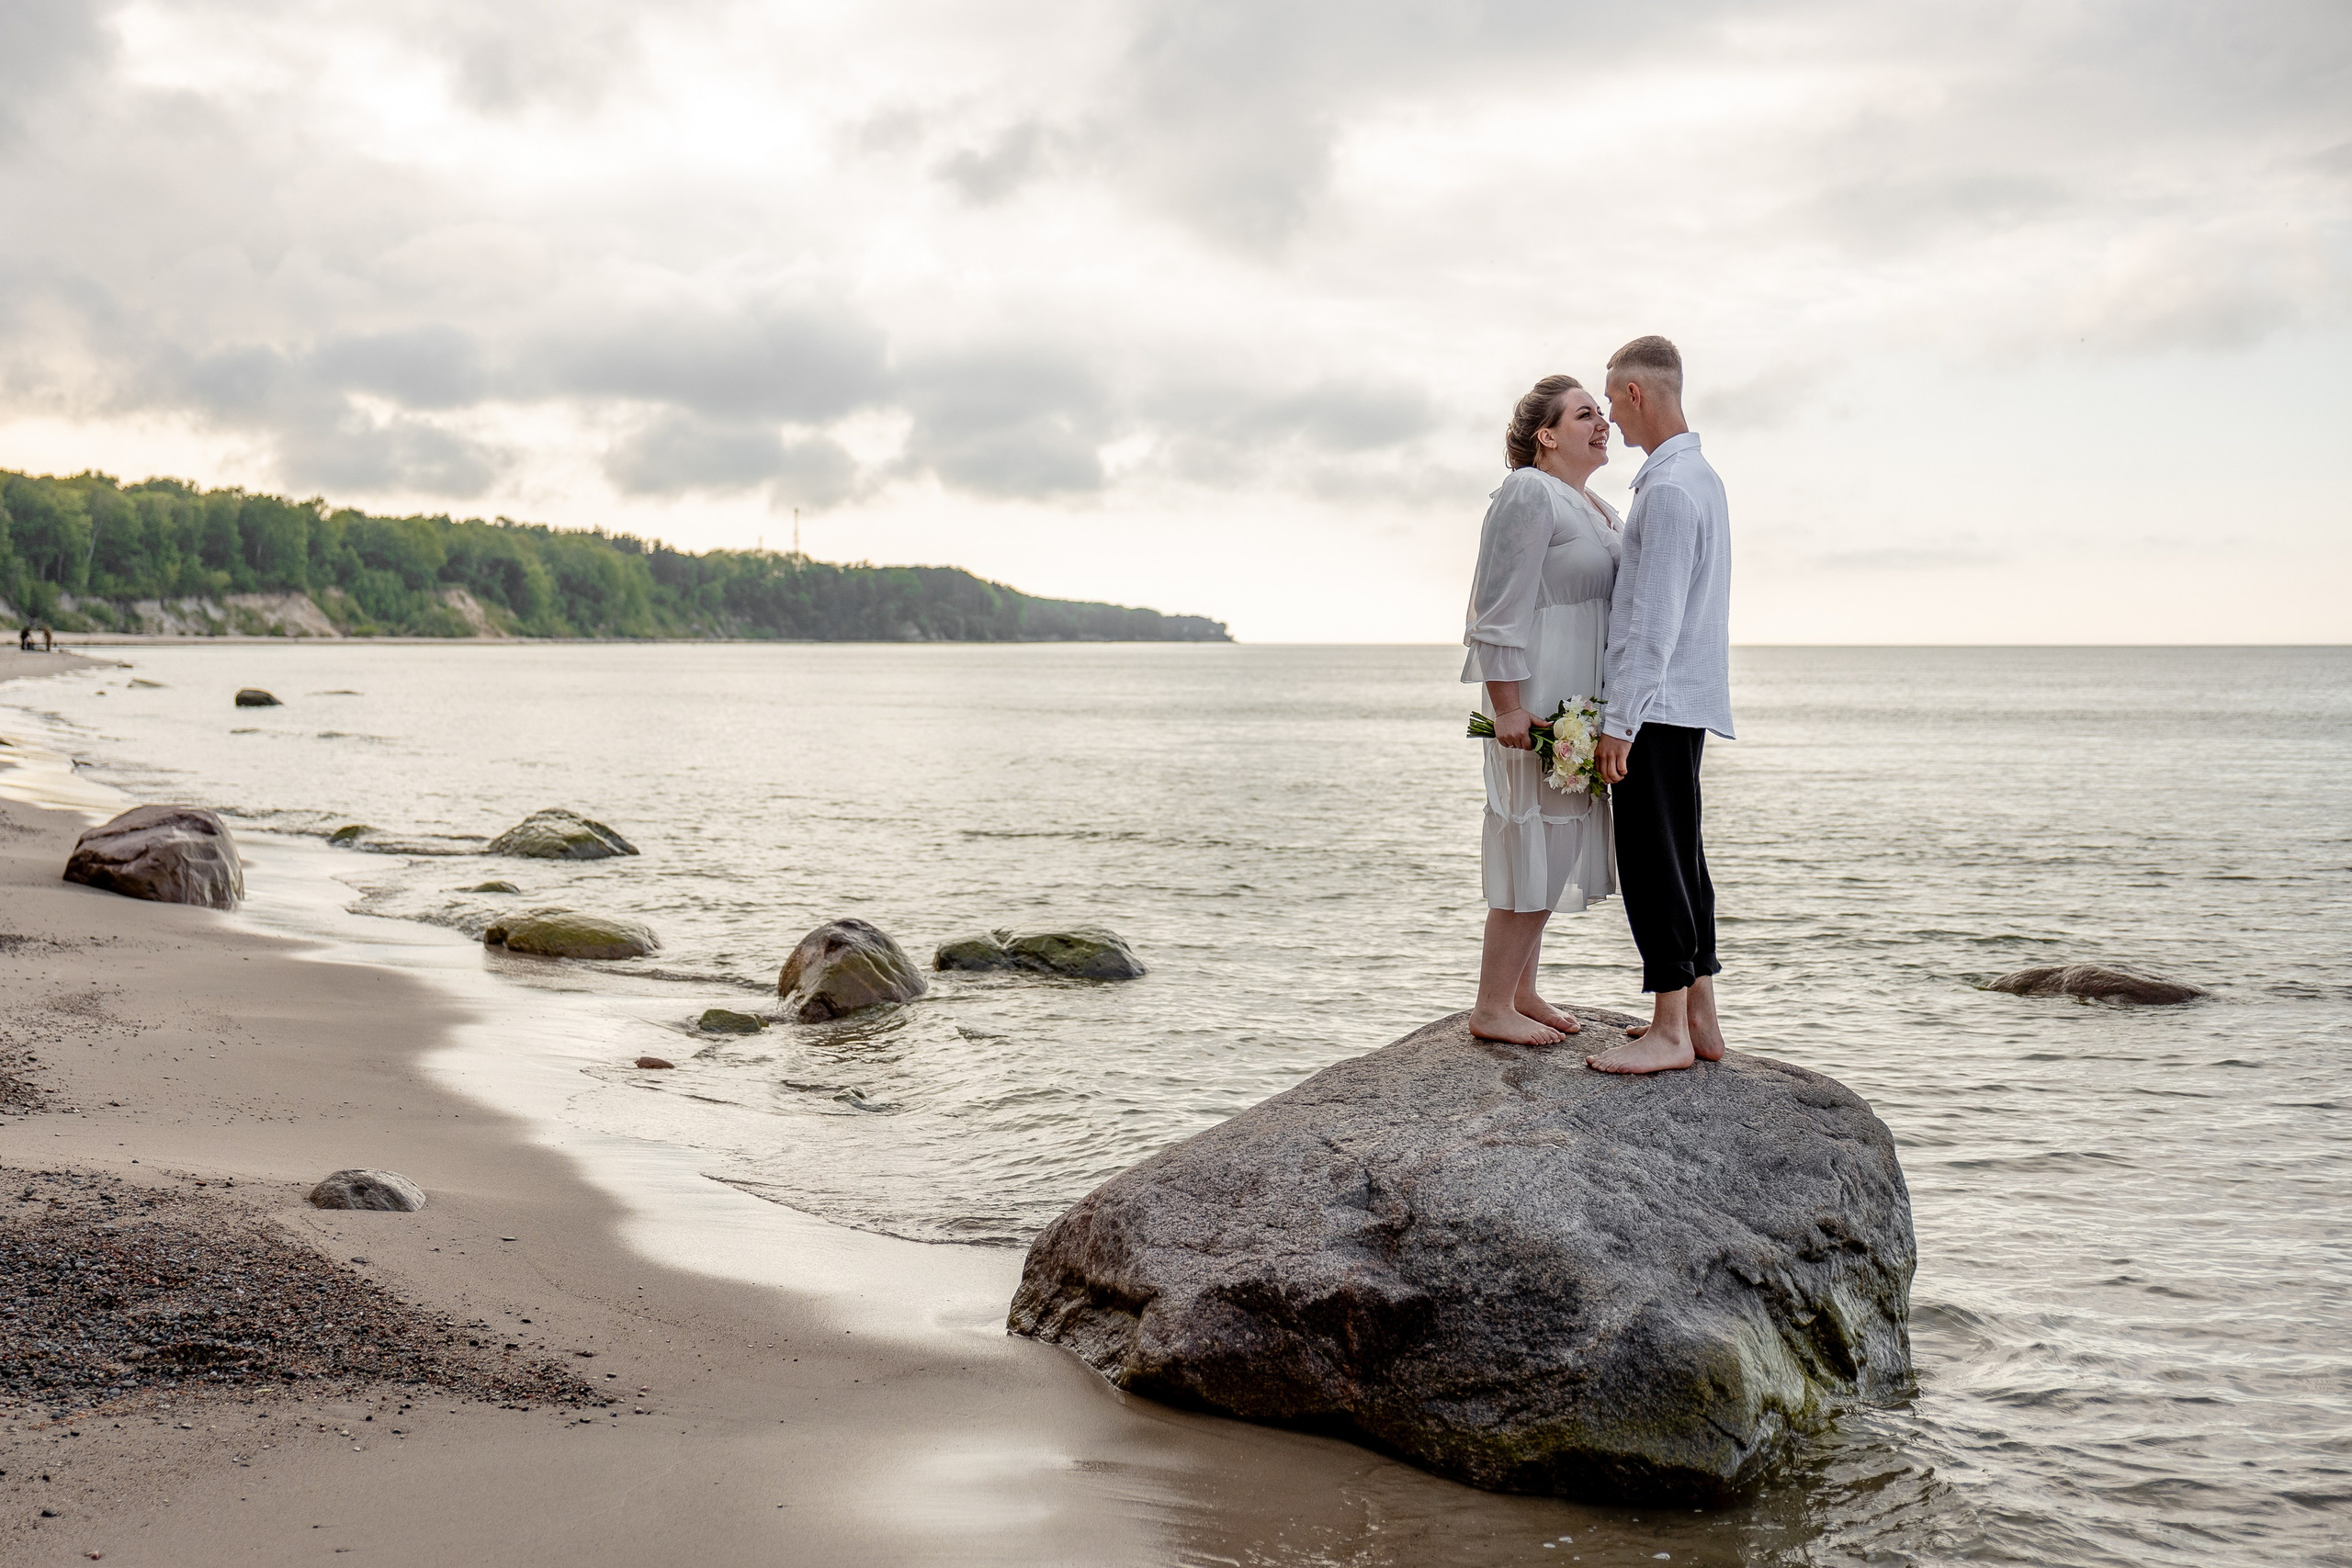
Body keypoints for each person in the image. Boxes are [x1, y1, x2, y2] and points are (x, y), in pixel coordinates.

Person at [1583, 336, 1735, 1075]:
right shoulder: (1697, 478)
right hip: (1680, 701)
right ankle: (1700, 1017)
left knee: (1652, 862)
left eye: (1611, 399)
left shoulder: (1671, 489)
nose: (1610, 415)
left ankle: (1669, 1028)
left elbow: (1654, 620)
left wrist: (1619, 721)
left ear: (1638, 392)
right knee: (1683, 859)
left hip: (1658, 703)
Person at [1461, 374, 1624, 1045]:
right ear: (1546, 435)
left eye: (1604, 414)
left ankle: (1522, 990)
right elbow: (1496, 605)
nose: (1602, 423)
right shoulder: (1529, 491)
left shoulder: (1597, 506)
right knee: (1530, 837)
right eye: (1585, 414)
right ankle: (1491, 1005)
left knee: (1554, 845)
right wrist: (1506, 707)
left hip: (1578, 704)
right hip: (1535, 700)